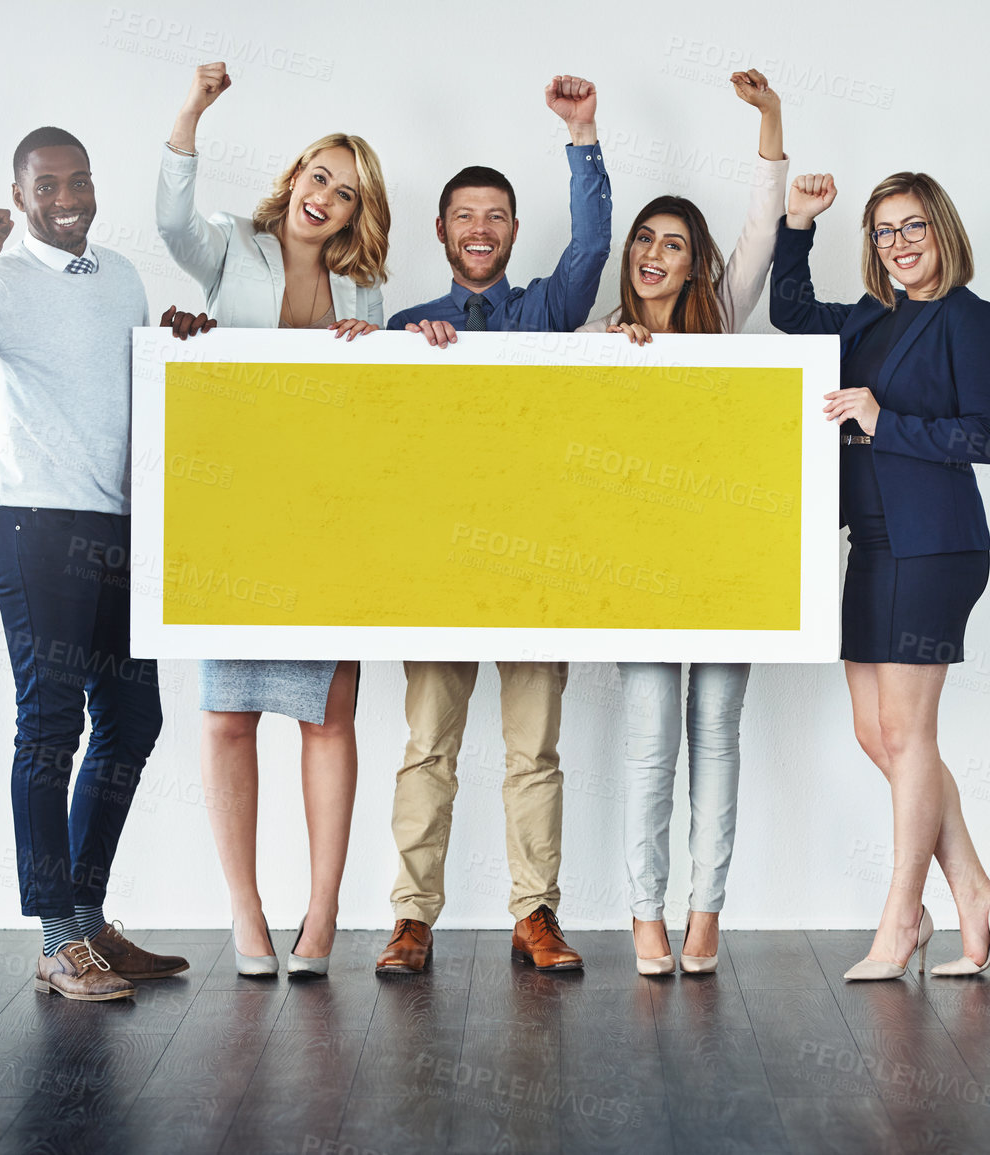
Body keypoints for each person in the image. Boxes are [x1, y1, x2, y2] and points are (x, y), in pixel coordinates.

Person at [0, 127, 187, 1002]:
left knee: (133, 721)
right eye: (49, 185)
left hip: (116, 526)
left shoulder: (124, 278)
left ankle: (87, 916)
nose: (69, 197)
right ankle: (57, 936)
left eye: (80, 180)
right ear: (19, 196)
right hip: (32, 524)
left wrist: (177, 342)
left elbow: (131, 389)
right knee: (51, 723)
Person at [155, 62, 389, 978]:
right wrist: (191, 114)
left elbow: (381, 412)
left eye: (345, 190)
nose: (324, 195)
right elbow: (171, 220)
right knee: (226, 715)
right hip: (234, 518)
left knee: (328, 715)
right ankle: (246, 914)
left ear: (356, 213)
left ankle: (321, 916)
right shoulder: (229, 249)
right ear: (294, 178)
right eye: (318, 175)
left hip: (327, 522)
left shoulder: (365, 293)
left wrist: (388, 356)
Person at [375, 75, 611, 974]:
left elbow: (593, 243)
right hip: (438, 568)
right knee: (427, 745)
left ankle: (535, 914)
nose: (480, 228)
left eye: (497, 216)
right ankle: (411, 920)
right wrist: (383, 353)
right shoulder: (404, 326)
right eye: (464, 215)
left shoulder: (547, 314)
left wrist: (581, 134)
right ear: (441, 231)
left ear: (513, 232)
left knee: (532, 750)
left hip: (531, 564)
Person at [770, 169, 990, 981]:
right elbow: (790, 314)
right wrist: (798, 225)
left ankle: (899, 918)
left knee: (910, 736)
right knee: (876, 734)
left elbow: (987, 438)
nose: (898, 245)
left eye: (912, 227)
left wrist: (886, 422)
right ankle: (978, 893)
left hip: (935, 546)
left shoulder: (970, 318)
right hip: (872, 543)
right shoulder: (869, 320)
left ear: (940, 230)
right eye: (883, 232)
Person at [577, 69, 787, 976]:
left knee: (717, 732)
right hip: (638, 570)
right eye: (645, 241)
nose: (656, 254)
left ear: (695, 263)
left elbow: (760, 230)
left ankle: (706, 912)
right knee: (651, 740)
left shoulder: (721, 321)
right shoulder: (595, 337)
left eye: (675, 244)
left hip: (726, 565)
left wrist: (772, 124)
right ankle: (643, 915)